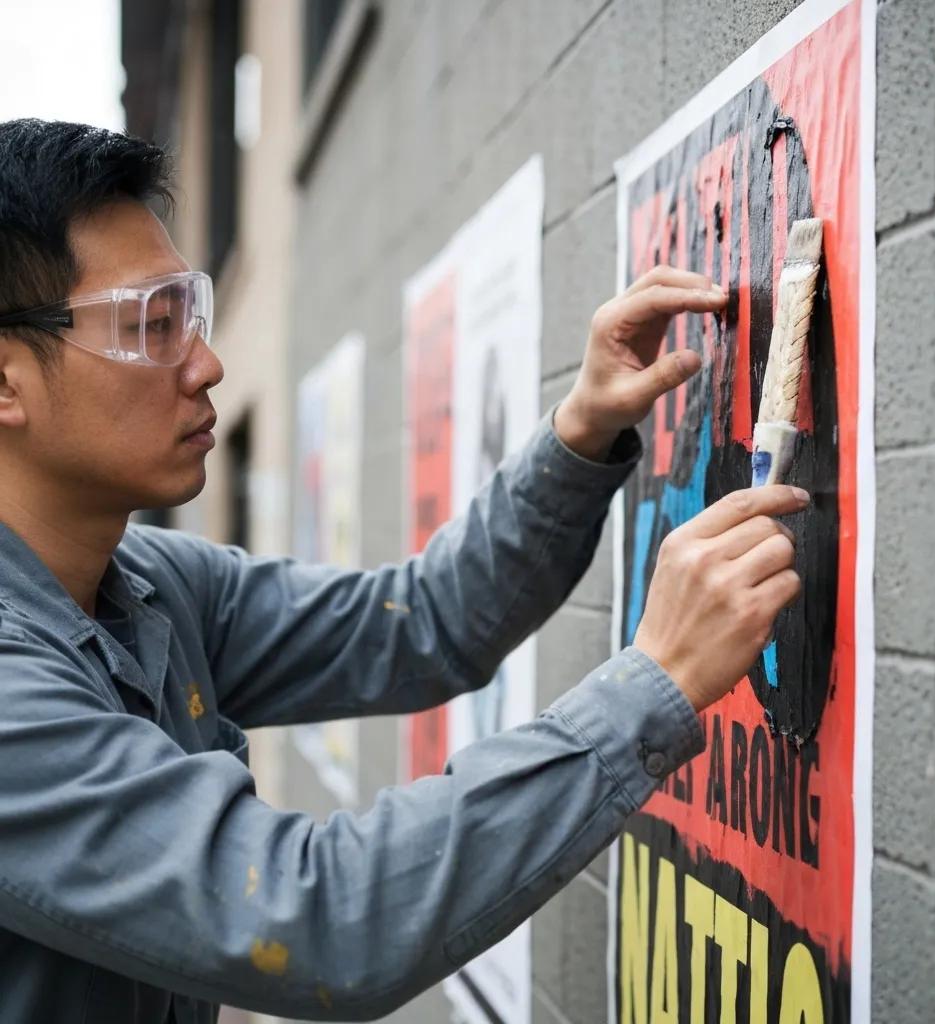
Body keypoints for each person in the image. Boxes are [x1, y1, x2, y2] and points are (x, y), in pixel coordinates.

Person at [0, 119, 806, 1023]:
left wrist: (580, 434)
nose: (208, 365)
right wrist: (652, 685)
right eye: (151, 326)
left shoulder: (145, 585)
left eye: (192, 316)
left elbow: (420, 622)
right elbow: (317, 919)